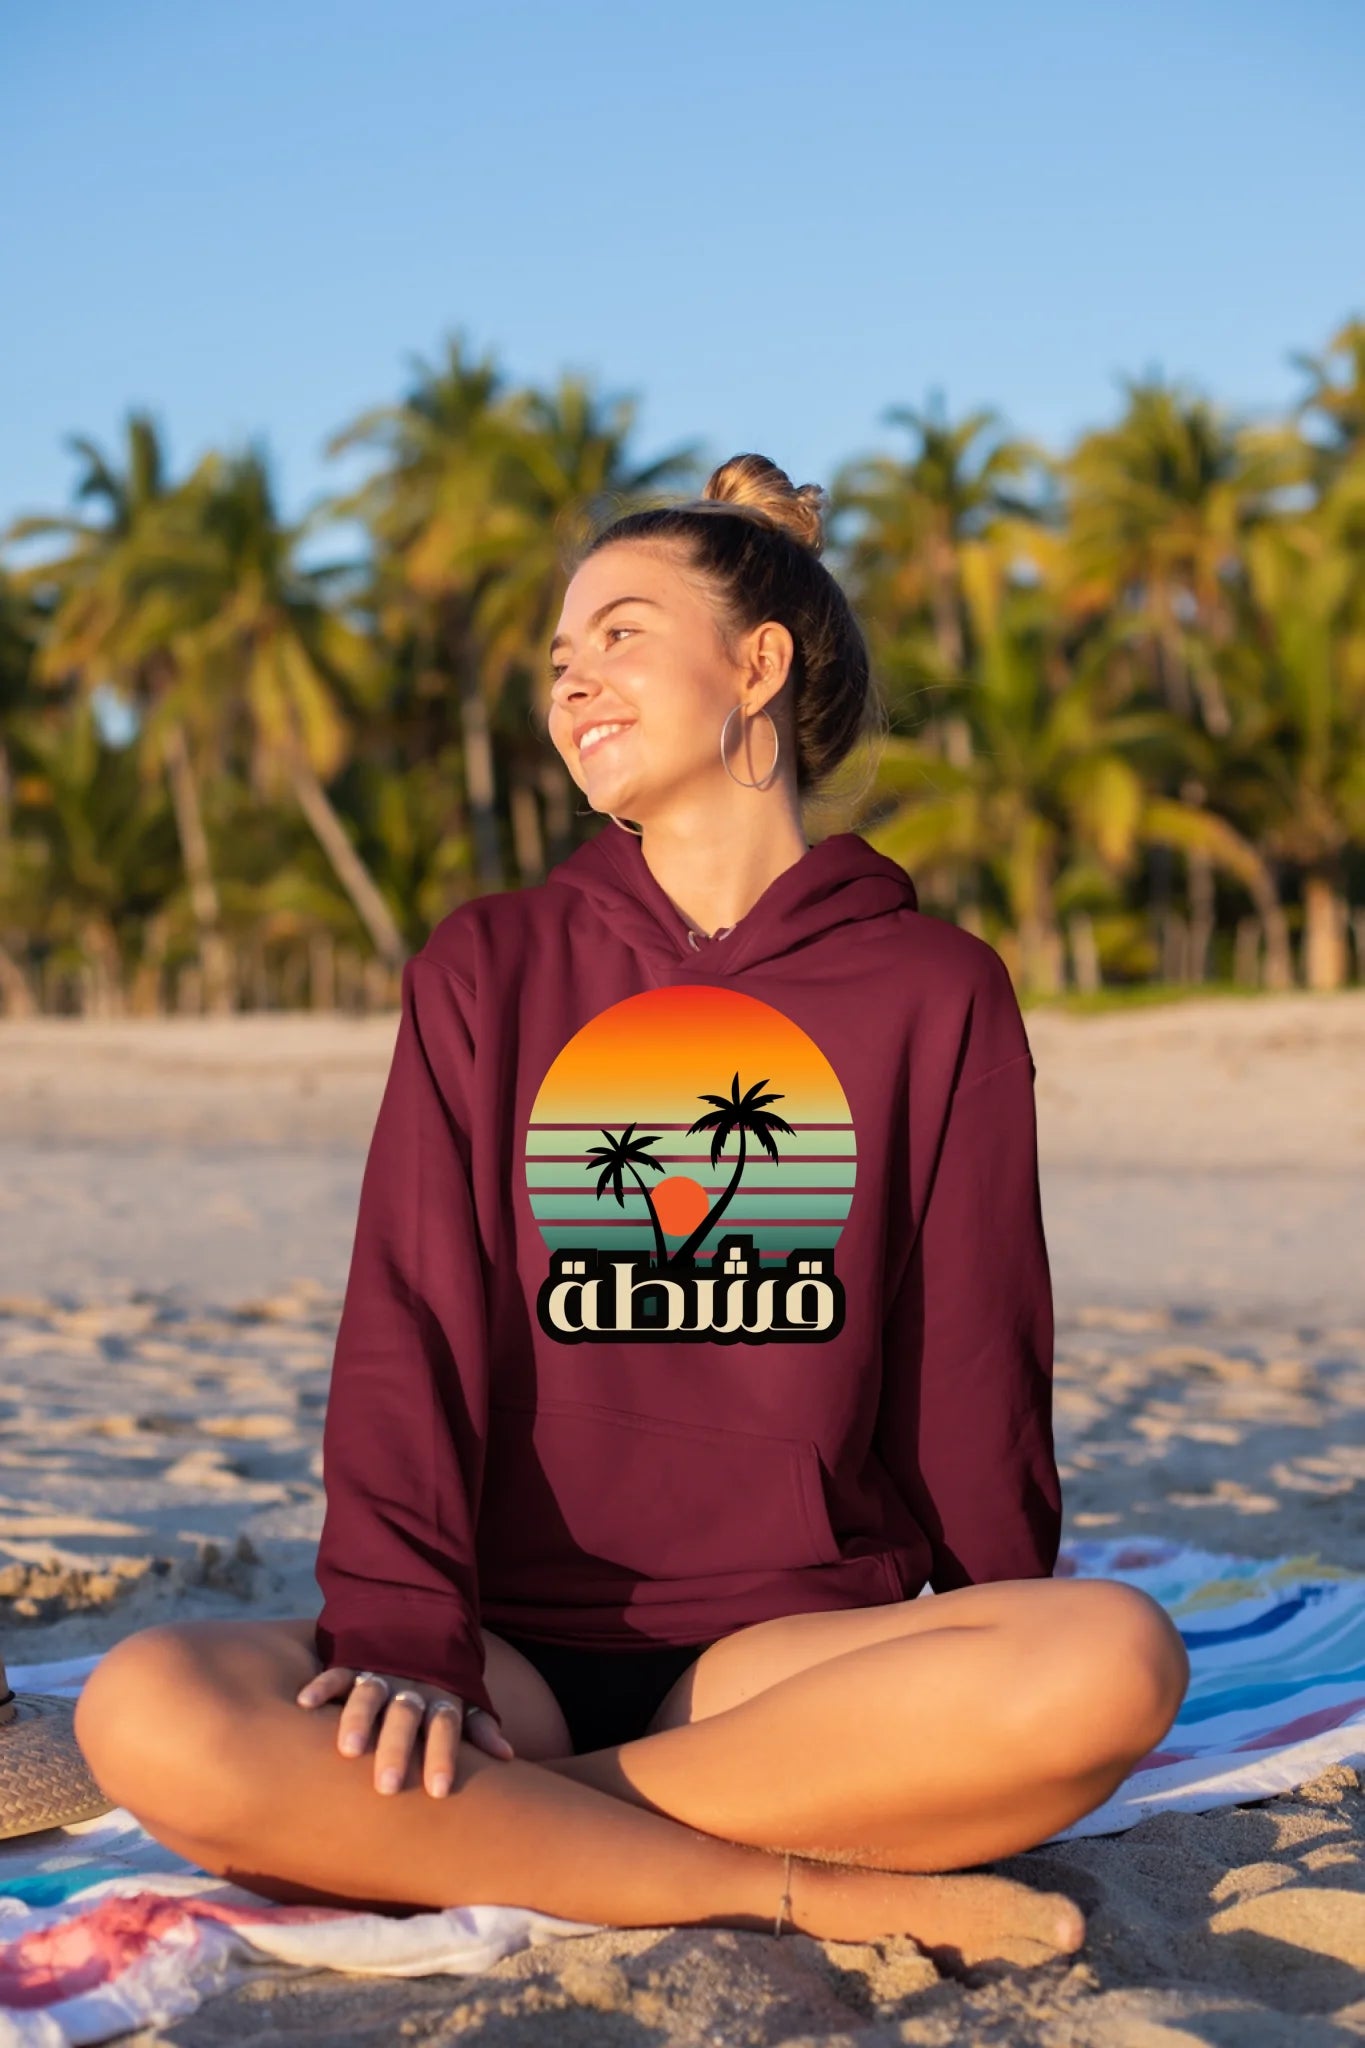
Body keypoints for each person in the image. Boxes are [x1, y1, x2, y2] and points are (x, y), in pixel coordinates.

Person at [73, 454, 1188, 1969]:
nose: (572, 681)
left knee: (1110, 1661)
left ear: (757, 665)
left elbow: (974, 1354)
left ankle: (506, 1831)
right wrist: (405, 1637)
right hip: (498, 1653)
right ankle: (811, 1891)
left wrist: (976, 1650)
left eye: (618, 634)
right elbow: (410, 1317)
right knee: (147, 1708)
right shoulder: (489, 965)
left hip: (776, 1664)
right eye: (557, 656)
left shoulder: (934, 992)